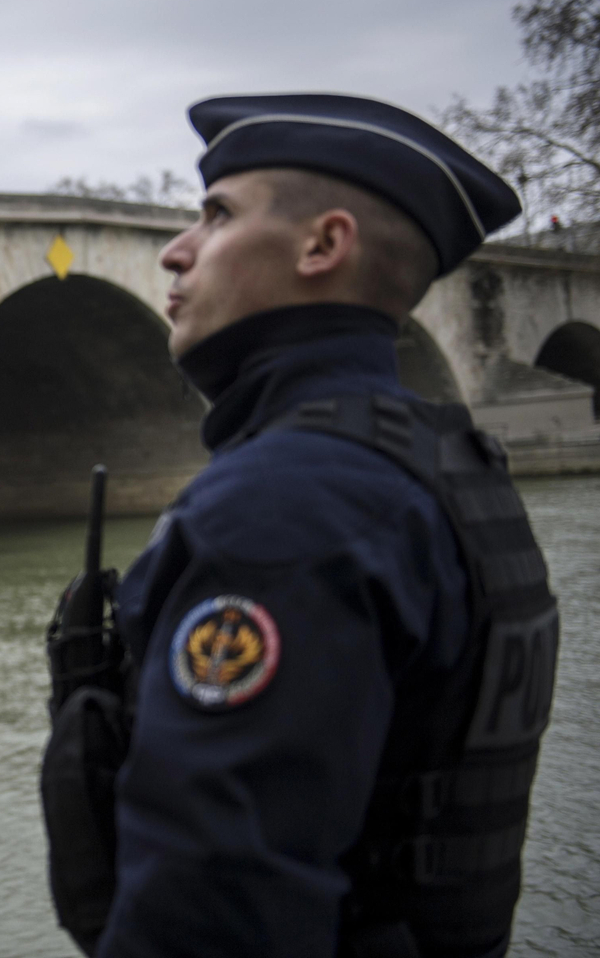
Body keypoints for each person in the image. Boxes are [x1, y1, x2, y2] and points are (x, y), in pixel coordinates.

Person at [41, 94, 559, 958]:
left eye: (216, 215)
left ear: (324, 245)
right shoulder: (449, 468)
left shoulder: (282, 508)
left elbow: (216, 907)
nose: (174, 251)